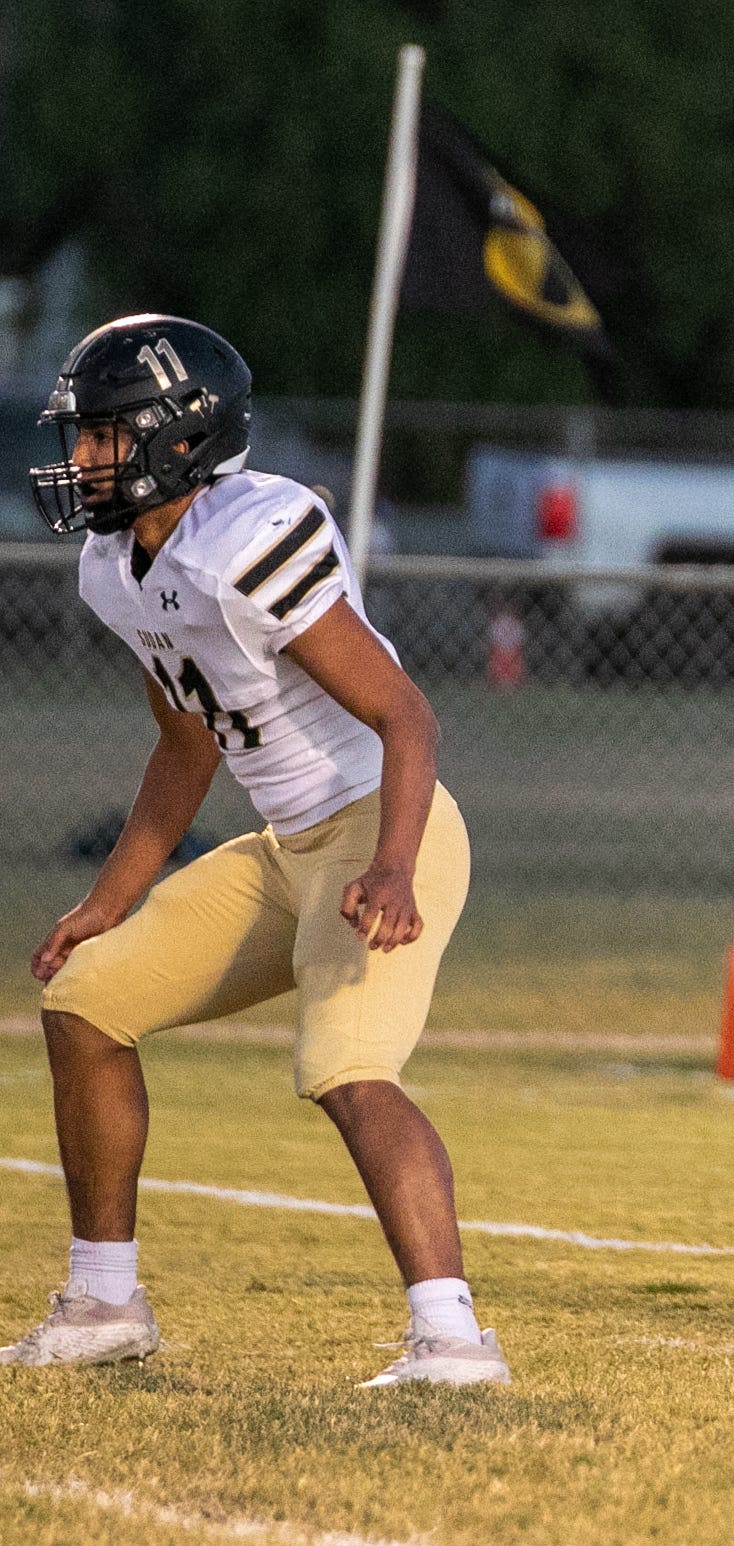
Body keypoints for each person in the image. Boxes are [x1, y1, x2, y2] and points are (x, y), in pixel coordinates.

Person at [3, 315, 507, 1387]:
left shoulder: (250, 538)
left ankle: (454, 1339)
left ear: (177, 439)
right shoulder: (116, 565)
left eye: (102, 435)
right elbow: (183, 747)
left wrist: (396, 866)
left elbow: (407, 715)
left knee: (346, 1068)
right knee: (86, 1002)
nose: (83, 458)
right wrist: (107, 901)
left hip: (382, 826)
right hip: (286, 849)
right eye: (81, 436)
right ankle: (104, 1301)